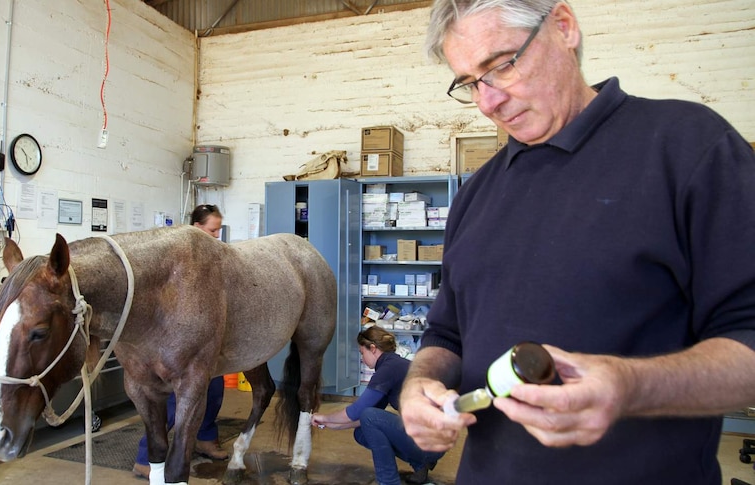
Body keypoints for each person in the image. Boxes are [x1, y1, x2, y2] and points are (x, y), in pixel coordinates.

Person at [399, 1, 755, 484]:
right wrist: (420, 383)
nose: (488, 102)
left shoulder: (688, 147)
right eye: (468, 83)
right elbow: (447, 336)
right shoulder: (474, 195)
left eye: (502, 65)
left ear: (563, 27)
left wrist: (630, 387)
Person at [133, 204, 228, 478]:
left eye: (219, 230)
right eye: (212, 230)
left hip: (205, 338)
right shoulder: (175, 255)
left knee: (215, 385)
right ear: (196, 228)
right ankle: (146, 457)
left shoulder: (210, 258)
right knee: (176, 401)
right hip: (177, 343)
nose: (216, 236)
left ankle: (205, 437)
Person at [311, 326, 444, 485]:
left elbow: (358, 411)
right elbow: (364, 419)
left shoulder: (388, 369)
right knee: (361, 432)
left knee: (369, 416)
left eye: (362, 353)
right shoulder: (394, 365)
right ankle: (421, 465)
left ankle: (388, 481)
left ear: (373, 349)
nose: (362, 358)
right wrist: (329, 424)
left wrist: (323, 416)